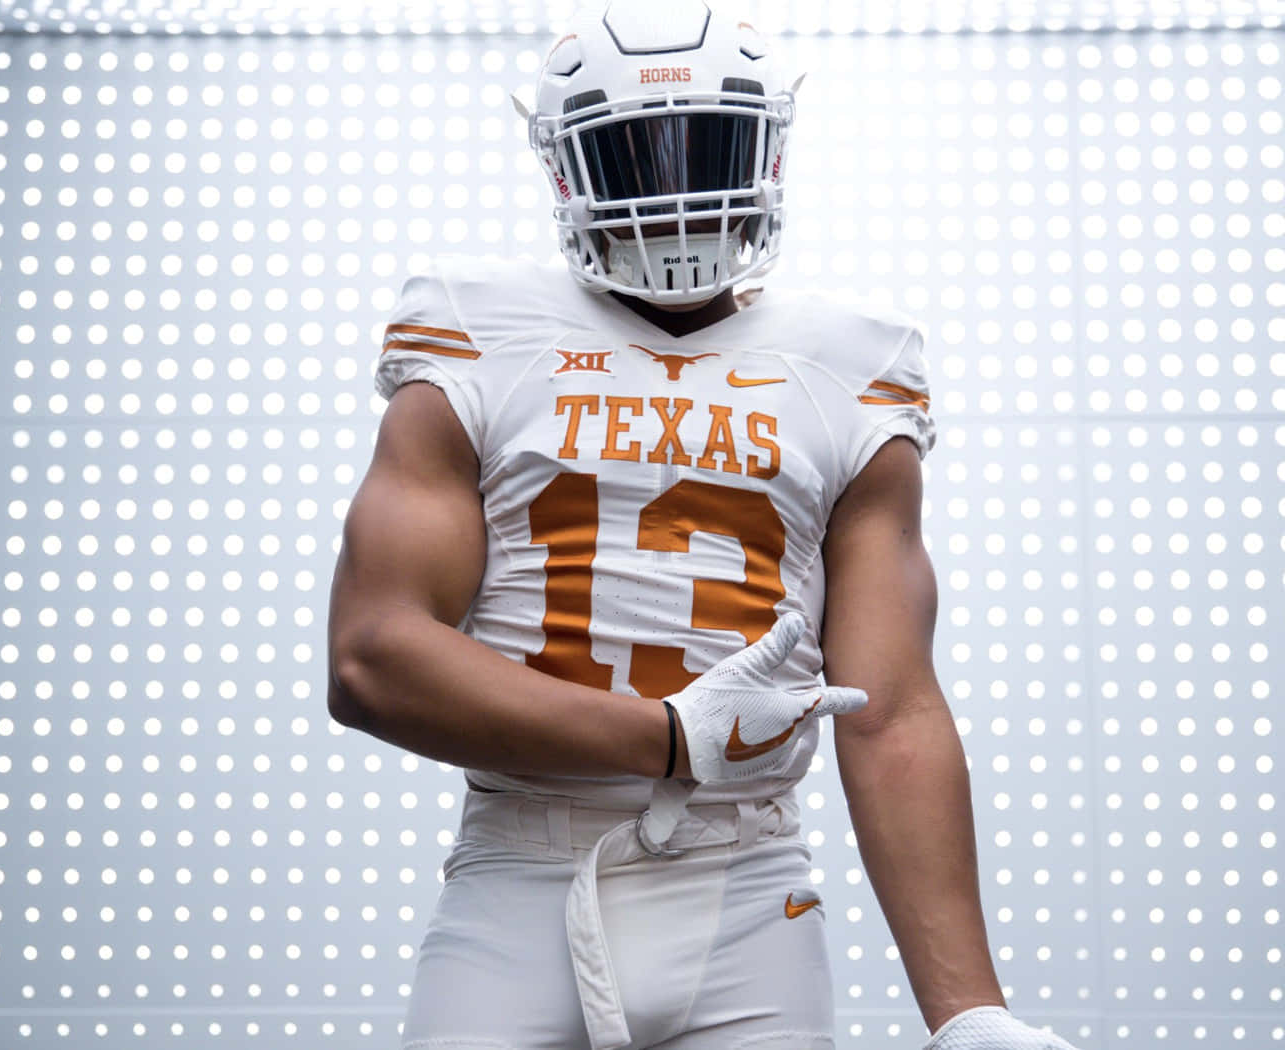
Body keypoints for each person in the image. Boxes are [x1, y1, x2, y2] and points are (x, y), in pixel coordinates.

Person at [325, 3, 1083, 1048]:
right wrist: (672, 738)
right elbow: (373, 657)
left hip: (746, 885)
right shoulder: (475, 327)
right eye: (635, 151)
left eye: (707, 143)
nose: (676, 186)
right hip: (519, 872)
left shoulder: (851, 363)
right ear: (563, 169)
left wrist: (967, 1011)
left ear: (767, 150)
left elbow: (887, 706)